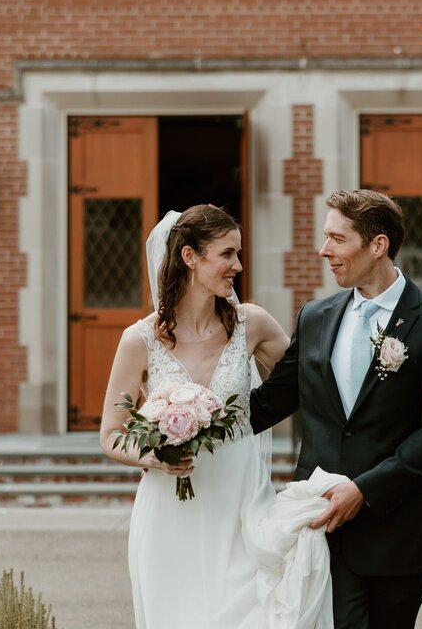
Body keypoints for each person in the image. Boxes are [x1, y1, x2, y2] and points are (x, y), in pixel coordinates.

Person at [251, 189, 422, 629]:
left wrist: (365, 490)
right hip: (318, 527)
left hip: (396, 531)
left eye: (337, 238)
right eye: (325, 237)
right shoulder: (315, 316)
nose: (324, 250)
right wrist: (191, 432)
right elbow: (271, 401)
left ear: (377, 245)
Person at [100, 204, 301, 628]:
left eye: (239, 253)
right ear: (190, 256)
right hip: (170, 516)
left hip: (242, 505)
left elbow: (309, 383)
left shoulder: (254, 324)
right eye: (227, 254)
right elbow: (112, 435)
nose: (238, 266)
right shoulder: (138, 341)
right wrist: (155, 456)